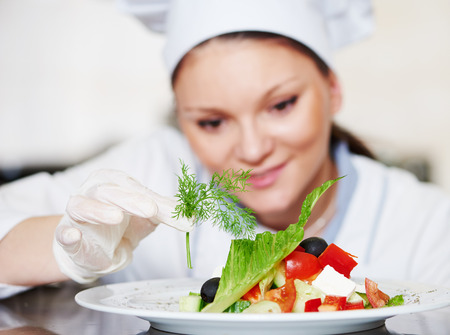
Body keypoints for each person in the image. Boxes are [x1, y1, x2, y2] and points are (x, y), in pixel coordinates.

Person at [0, 0, 449, 300]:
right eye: (212, 122)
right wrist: (65, 249)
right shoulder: (153, 169)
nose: (253, 149)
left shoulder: (424, 223)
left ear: (332, 90)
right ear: (180, 117)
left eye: (281, 105)